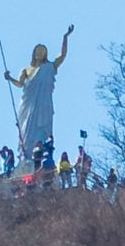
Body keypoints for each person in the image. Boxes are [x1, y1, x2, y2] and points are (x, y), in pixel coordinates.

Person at [4, 25, 74, 160]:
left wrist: (65, 37)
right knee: (27, 131)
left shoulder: (49, 67)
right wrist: (9, 78)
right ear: (33, 53)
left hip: (43, 104)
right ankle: (26, 158)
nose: (40, 53)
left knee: (42, 131)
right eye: (38, 51)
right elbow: (20, 84)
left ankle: (41, 155)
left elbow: (62, 56)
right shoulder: (26, 70)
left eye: (42, 51)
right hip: (29, 105)